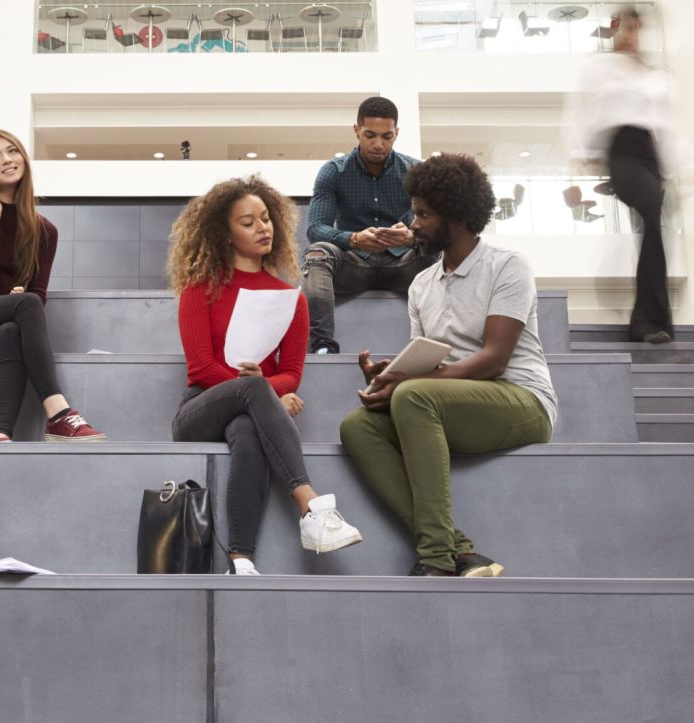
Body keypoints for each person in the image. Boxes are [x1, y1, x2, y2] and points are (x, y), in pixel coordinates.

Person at [339, 154, 556, 578]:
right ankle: (461, 551)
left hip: (522, 401)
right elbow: (430, 364)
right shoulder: (421, 285)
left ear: (456, 216)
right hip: (452, 403)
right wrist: (388, 382)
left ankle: (436, 558)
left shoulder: (508, 266)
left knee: (415, 394)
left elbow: (494, 360)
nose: (414, 223)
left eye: (424, 214)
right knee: (357, 426)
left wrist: (409, 383)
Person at [169, 175, 363, 576]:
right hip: (198, 410)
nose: (263, 227)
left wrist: (262, 394)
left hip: (251, 413)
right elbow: (201, 368)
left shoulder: (291, 299)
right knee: (251, 392)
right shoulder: (198, 289)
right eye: (248, 222)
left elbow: (291, 374)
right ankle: (310, 505)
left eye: (266, 218)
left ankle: (240, 560)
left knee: (246, 430)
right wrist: (260, 390)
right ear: (224, 235)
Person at [0, 129, 104, 442]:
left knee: (12, 330)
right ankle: (58, 413)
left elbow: (38, 296)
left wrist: (16, 298)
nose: (7, 160)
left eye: (12, 151)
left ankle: (0, 433)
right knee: (25, 303)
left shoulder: (45, 231)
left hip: (7, 320)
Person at [567, 7, 682, 344]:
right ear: (616, 29)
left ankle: (650, 321)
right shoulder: (599, 69)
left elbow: (668, 126)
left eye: (638, 28)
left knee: (655, 229)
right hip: (621, 151)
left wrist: (678, 168)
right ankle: (648, 319)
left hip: (651, 154)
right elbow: (579, 113)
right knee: (649, 209)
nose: (633, 35)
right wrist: (580, 153)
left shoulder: (656, 74)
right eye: (627, 28)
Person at [301, 96, 436, 355]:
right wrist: (354, 239)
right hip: (354, 266)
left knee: (440, 253)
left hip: (404, 267)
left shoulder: (416, 171)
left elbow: (436, 228)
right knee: (317, 252)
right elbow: (316, 228)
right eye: (370, 135)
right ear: (356, 130)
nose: (378, 144)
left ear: (396, 133)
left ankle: (439, 345)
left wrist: (411, 236)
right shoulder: (333, 171)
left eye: (387, 137)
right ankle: (322, 347)